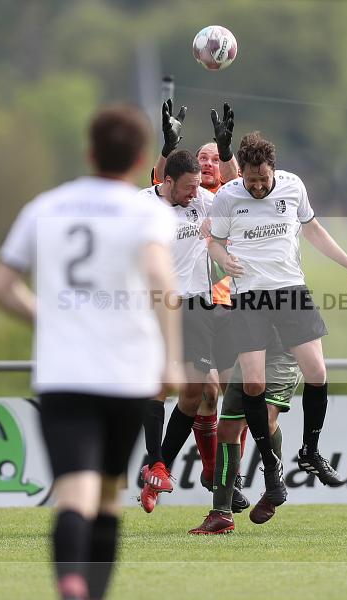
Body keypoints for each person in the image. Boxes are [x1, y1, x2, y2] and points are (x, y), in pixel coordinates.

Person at [0, 104, 183, 600]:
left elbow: (0, 287)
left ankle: (69, 583)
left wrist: (47, 317)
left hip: (64, 375)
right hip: (125, 376)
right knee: (110, 495)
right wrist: (171, 358)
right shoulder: (147, 212)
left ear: (89, 152)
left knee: (74, 493)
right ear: (141, 160)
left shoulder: (46, 207)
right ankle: (92, 591)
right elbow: (162, 282)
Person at [208, 132, 347, 507]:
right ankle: (271, 466)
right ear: (242, 175)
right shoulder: (228, 196)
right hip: (249, 295)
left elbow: (313, 229)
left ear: (274, 169)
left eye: (263, 179)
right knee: (253, 384)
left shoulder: (292, 186)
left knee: (317, 372)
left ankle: (310, 450)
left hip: (290, 291)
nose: (257, 187)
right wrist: (223, 259)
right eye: (251, 181)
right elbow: (213, 240)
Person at [136, 149, 216, 513]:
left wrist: (227, 153)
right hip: (159, 304)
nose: (194, 193)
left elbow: (233, 186)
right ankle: (155, 462)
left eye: (197, 186)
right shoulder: (143, 206)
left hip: (198, 305)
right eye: (187, 188)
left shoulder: (204, 200)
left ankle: (158, 467)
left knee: (195, 391)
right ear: (166, 182)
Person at [189, 329, 301, 534]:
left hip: (283, 348)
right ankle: (221, 514)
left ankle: (274, 485)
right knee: (227, 428)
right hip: (249, 351)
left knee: (266, 420)